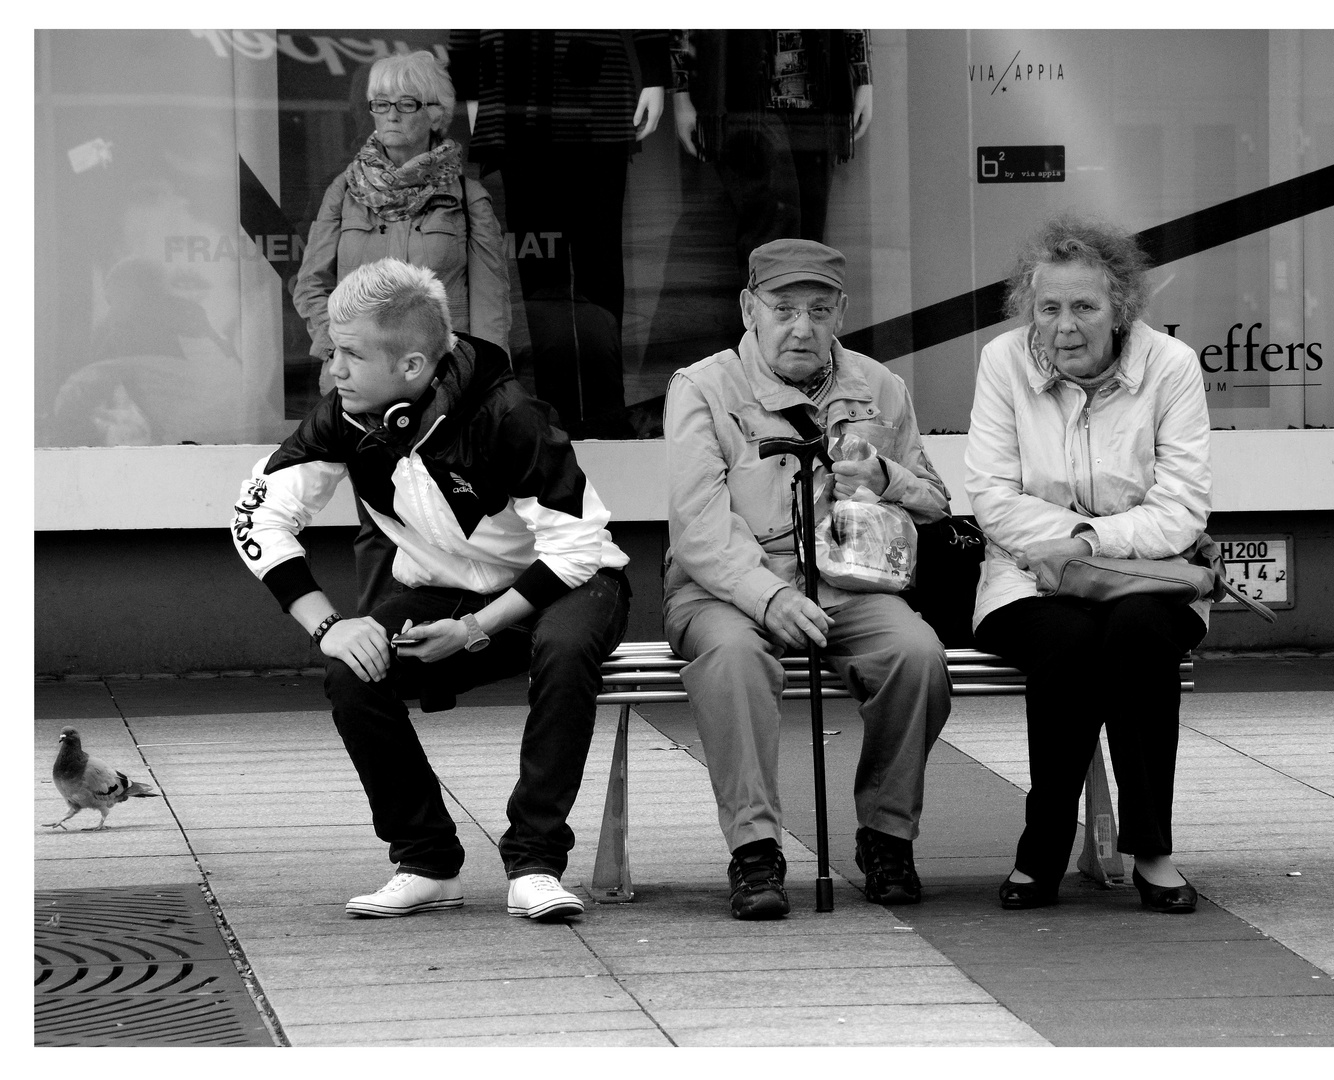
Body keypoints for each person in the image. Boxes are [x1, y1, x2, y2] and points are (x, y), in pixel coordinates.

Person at [233, 258, 630, 921]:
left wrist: (477, 630)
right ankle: (426, 862)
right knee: (352, 672)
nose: (332, 370)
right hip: (441, 590)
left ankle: (534, 862)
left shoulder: (509, 414)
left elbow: (577, 547)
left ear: (413, 366)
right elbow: (257, 514)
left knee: (562, 653)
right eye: (334, 353)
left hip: (569, 586)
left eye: (350, 356)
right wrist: (331, 625)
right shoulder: (344, 416)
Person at [662, 238, 953, 920]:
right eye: (783, 308)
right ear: (749, 308)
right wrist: (771, 596)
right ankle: (755, 850)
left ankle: (887, 836)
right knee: (734, 658)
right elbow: (697, 527)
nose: (802, 326)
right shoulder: (701, 388)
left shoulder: (881, 388)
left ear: (841, 313)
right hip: (725, 586)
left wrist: (887, 476)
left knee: (916, 656)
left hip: (847, 582)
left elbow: (936, 501)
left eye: (819, 310)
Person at [965, 215, 1212, 914]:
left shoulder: (1169, 367)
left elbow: (1183, 511)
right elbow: (991, 496)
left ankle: (1153, 851)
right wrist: (1070, 545)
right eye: (1048, 308)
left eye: (1084, 307)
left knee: (1136, 633)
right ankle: (1043, 846)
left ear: (1121, 309)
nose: (1064, 327)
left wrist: (1084, 546)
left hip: (1146, 578)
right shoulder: (1003, 363)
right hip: (1024, 577)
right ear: (1028, 308)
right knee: (1067, 641)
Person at [294, 50, 511, 615]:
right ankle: (371, 654)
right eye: (379, 103)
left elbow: (490, 307)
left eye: (405, 103)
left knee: (446, 521)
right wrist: (340, 348)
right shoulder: (344, 191)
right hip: (365, 393)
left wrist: (480, 385)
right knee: (377, 524)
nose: (388, 116)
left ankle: (445, 648)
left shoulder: (467, 197)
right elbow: (310, 285)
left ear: (436, 113)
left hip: (443, 392)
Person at [447, 30, 669, 439]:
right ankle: (555, 413)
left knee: (599, 270)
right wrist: (474, 93)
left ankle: (606, 413)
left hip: (593, 95)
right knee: (540, 275)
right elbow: (466, 23)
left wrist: (654, 69)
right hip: (516, 100)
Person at [670, 30, 874, 272]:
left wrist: (863, 75)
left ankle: (799, 308)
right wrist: (681, 92)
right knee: (769, 233)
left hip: (816, 87)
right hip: (742, 92)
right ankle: (770, 307)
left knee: (810, 236)